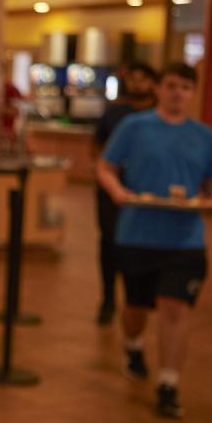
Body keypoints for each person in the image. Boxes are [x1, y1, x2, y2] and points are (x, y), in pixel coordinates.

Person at [97, 63, 212, 419]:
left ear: (192, 93)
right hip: (137, 233)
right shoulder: (134, 127)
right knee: (136, 308)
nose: (177, 92)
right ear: (159, 89)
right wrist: (118, 191)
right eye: (171, 85)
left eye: (185, 87)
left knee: (174, 307)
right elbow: (105, 166)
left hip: (186, 241)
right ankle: (133, 345)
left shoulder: (205, 136)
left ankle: (168, 383)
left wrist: (209, 202)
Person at [92, 62, 157, 325]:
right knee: (110, 242)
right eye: (133, 79)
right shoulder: (114, 113)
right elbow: (96, 149)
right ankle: (108, 298)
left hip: (147, 193)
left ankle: (138, 298)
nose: (137, 84)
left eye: (143, 79)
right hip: (111, 191)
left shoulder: (159, 116)